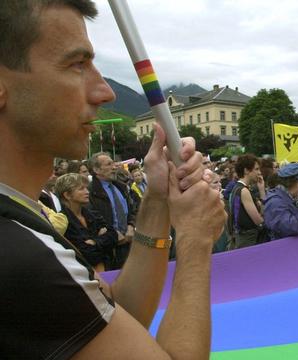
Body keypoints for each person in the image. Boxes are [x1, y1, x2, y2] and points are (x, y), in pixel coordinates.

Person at [0, 1, 226, 358]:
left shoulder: (18, 220)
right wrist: (196, 241)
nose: (105, 92)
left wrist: (157, 200)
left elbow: (116, 322)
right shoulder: (16, 252)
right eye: (77, 65)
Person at [56, 173, 118, 273]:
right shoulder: (63, 222)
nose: (87, 192)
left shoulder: (92, 214)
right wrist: (103, 240)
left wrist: (94, 242)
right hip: (84, 275)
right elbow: (87, 254)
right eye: (81, 189)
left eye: (86, 188)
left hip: (107, 270)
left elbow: (114, 236)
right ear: (67, 195)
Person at [88, 152, 137, 269]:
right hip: (109, 250)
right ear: (96, 169)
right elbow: (93, 216)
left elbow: (133, 210)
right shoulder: (90, 192)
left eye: (114, 163)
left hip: (129, 243)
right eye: (109, 164)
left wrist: (131, 225)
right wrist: (113, 234)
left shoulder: (122, 187)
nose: (114, 167)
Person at [263, 163, 298, 240]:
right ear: (294, 183)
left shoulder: (293, 198)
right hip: (283, 250)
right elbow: (290, 228)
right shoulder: (275, 202)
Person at [228, 154, 266, 249]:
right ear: (246, 170)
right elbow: (258, 220)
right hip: (248, 240)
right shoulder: (244, 191)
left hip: (243, 238)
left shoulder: (237, 188)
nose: (259, 172)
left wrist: (261, 189)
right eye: (256, 169)